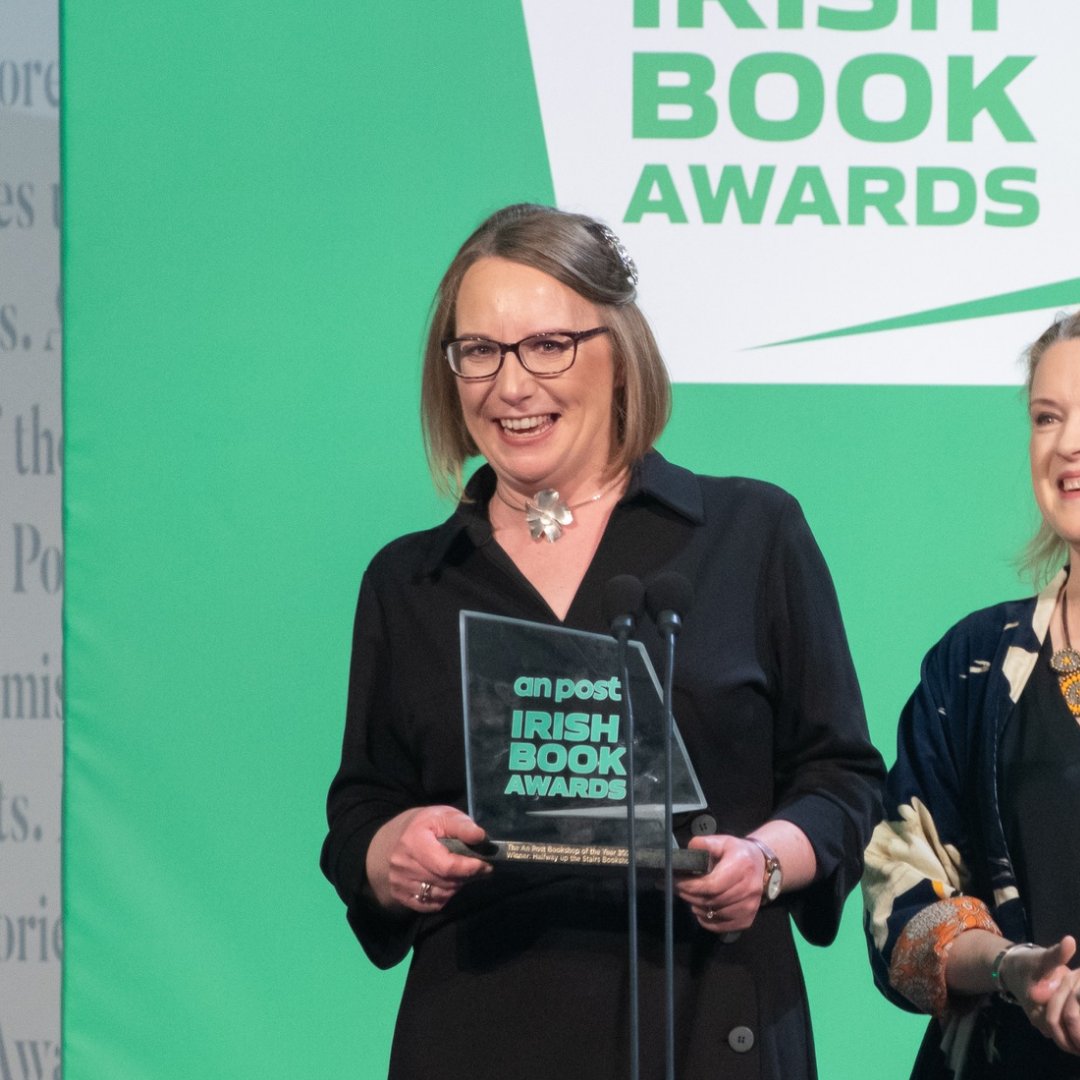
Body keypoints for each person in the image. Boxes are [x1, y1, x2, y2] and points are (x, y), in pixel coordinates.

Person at [321, 203, 885, 1080]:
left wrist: (766, 861)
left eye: (548, 345)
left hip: (704, 1022)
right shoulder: (411, 581)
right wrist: (388, 851)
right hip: (480, 1033)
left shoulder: (750, 532)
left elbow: (842, 780)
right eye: (479, 351)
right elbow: (361, 805)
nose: (511, 386)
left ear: (618, 354)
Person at [863, 311, 1080, 1078]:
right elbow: (902, 907)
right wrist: (1013, 966)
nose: (1067, 443)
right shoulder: (975, 663)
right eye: (1047, 417)